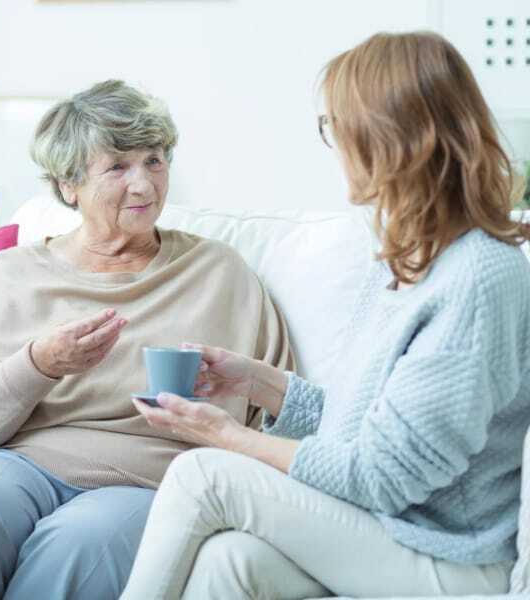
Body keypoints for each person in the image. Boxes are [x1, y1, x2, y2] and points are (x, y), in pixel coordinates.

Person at [122, 31, 530, 599]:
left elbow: (382, 474)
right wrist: (257, 382)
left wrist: (228, 436)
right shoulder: (415, 261)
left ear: (386, 136)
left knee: (203, 473)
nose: (332, 143)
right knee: (230, 559)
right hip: (392, 532)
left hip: (448, 559)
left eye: (334, 125)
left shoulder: (479, 277)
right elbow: (363, 429)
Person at [0, 79, 293, 600]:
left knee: (78, 543)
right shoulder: (19, 274)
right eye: (118, 167)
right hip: (18, 464)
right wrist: (39, 363)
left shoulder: (219, 272)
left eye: (154, 160)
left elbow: (281, 412)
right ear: (68, 186)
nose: (145, 185)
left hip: (148, 479)